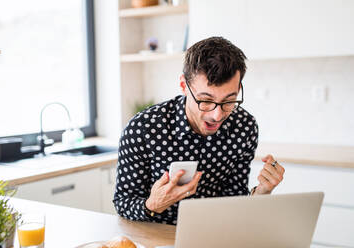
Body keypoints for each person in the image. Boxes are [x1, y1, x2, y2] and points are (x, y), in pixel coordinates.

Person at [114, 37, 285, 225]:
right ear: (183, 86)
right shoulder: (143, 129)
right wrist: (152, 205)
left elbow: (234, 200)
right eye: (205, 100)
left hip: (214, 235)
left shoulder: (244, 127)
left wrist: (260, 193)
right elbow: (123, 203)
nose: (217, 115)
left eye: (229, 101)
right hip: (157, 237)